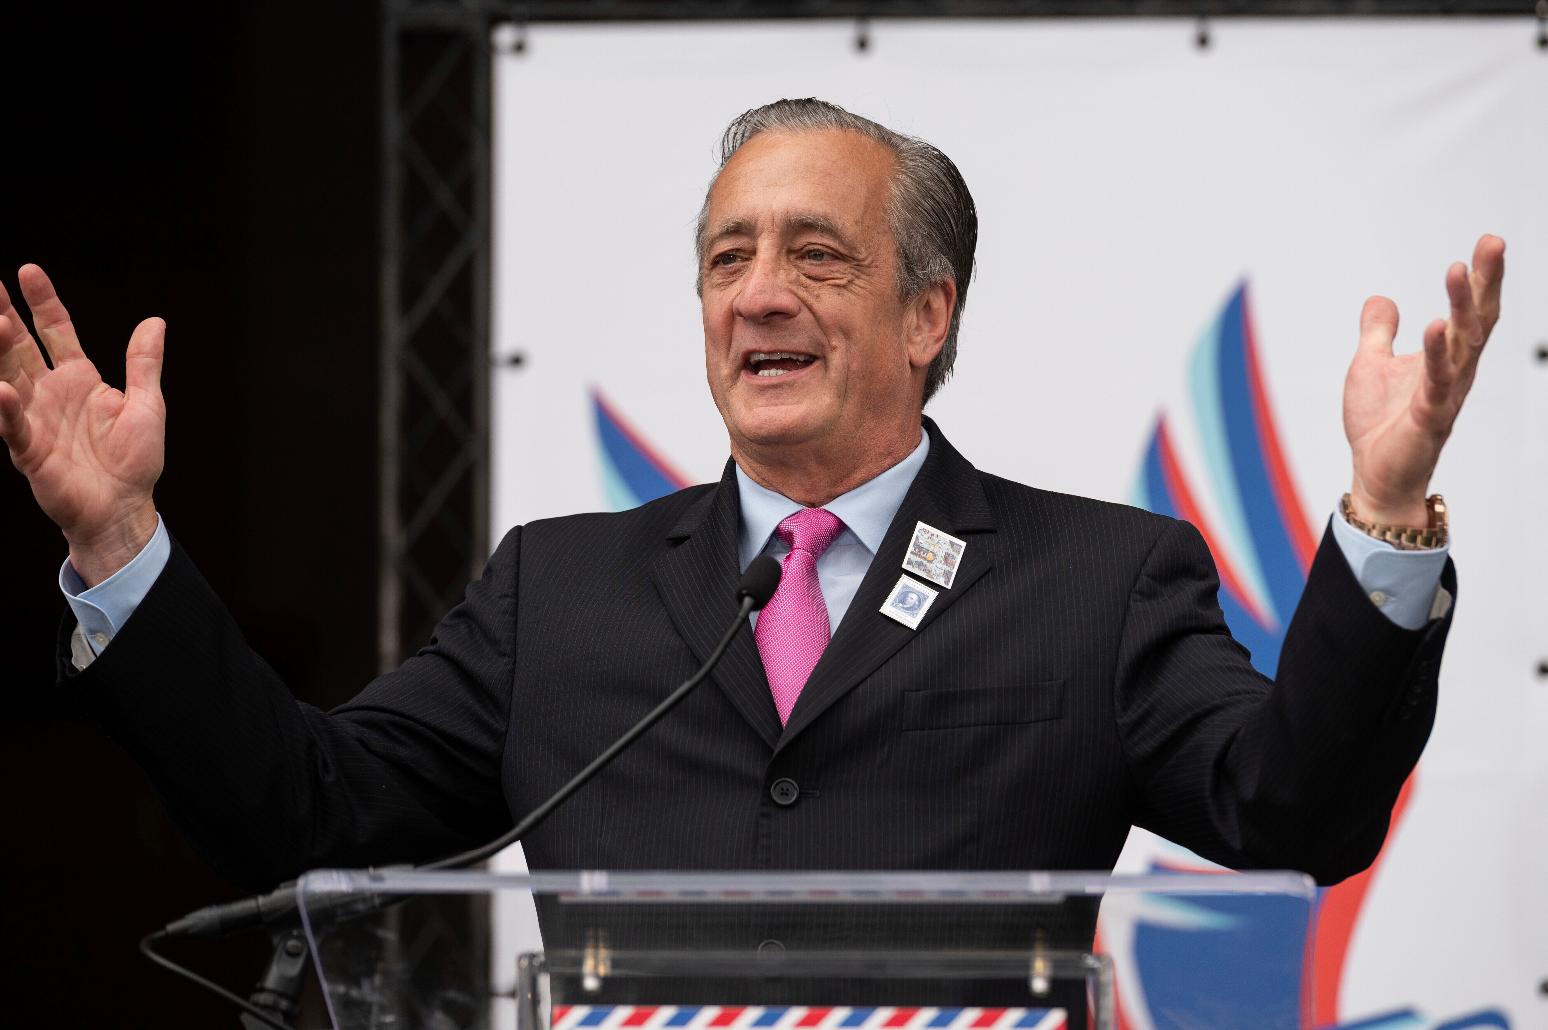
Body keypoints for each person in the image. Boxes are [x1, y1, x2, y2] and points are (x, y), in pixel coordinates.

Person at [0, 100, 1504, 895]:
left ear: (928, 314)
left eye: (815, 255)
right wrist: (118, 545)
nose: (758, 294)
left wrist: (1383, 517)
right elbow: (302, 814)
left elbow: (1294, 809)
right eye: (727, 257)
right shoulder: (558, 590)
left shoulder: (1101, 579)